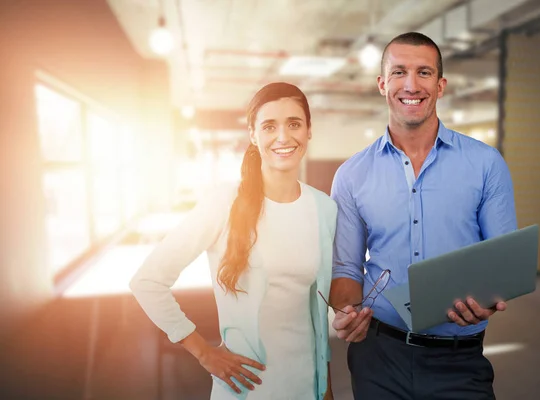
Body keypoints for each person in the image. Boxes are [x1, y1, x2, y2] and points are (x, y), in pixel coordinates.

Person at [328, 32, 517, 399]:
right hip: (378, 357)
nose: (411, 85)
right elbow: (347, 268)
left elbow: (503, 262)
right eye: (399, 72)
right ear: (382, 84)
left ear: (441, 85)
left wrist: (487, 303)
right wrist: (346, 312)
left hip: (459, 361)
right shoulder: (351, 175)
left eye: (424, 72)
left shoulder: (485, 164)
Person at [130, 82, 337, 400]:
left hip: (308, 387)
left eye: (294, 123)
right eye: (269, 126)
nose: (283, 137)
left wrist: (326, 387)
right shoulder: (223, 202)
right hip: (246, 389)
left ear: (309, 131)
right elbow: (147, 281)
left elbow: (317, 314)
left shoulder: (324, 207)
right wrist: (202, 352)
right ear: (254, 135)